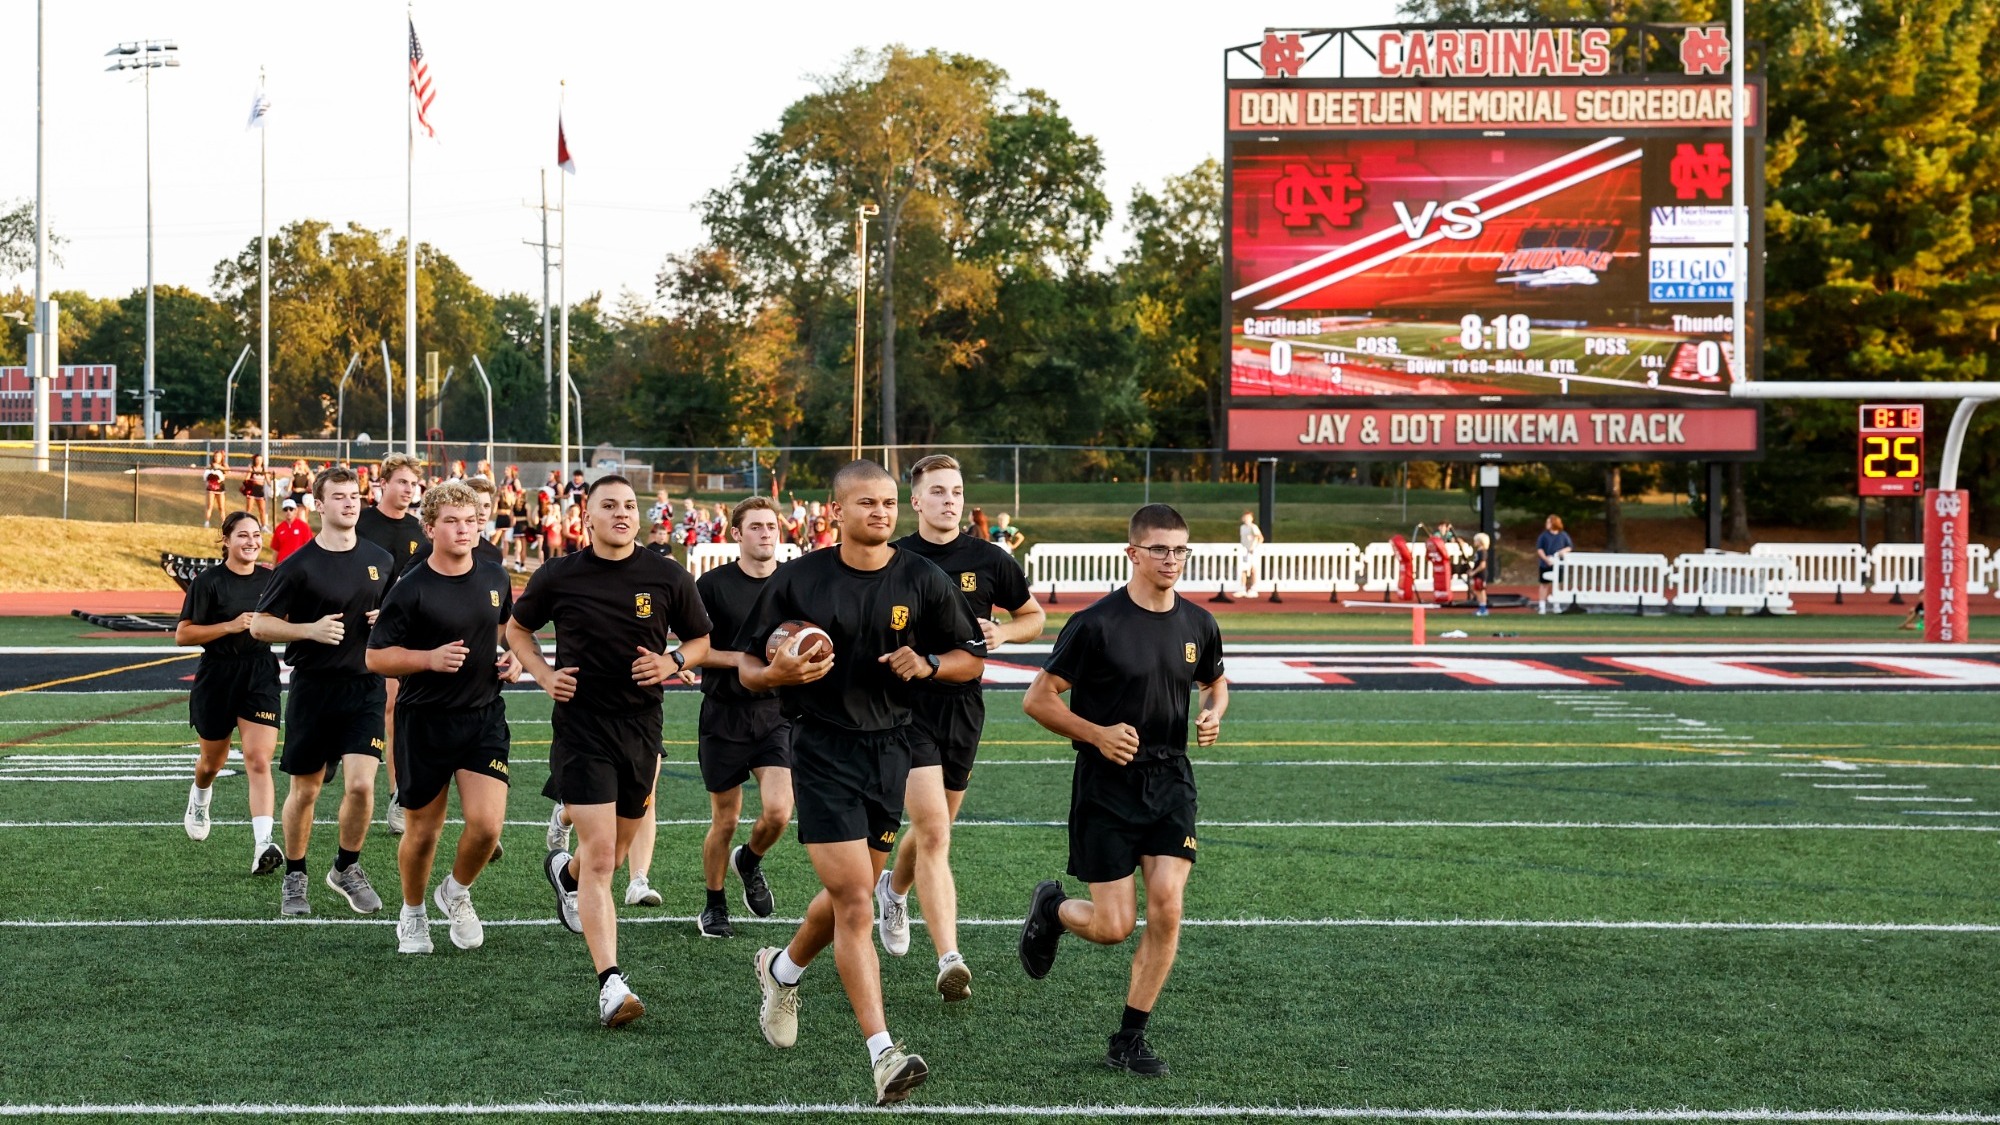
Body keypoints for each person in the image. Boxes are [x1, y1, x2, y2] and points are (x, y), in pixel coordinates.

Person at [736, 459, 984, 1106]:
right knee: (853, 902)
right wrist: (774, 676)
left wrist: (929, 662)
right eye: (865, 502)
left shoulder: (921, 578)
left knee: (845, 893)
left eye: (886, 502)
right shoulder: (801, 578)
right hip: (818, 748)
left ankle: (780, 968)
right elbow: (743, 661)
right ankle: (884, 1055)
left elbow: (968, 657)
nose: (880, 512)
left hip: (891, 750)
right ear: (836, 510)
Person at [1017, 502, 1227, 1078]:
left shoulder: (1198, 623)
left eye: (1181, 549)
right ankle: (1053, 910)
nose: (1172, 559)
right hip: (1105, 788)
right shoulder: (1096, 623)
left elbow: (1216, 681)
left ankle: (1129, 1038)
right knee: (1113, 927)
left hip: (1171, 781)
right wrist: (1097, 734)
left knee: (1168, 907)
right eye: (1159, 548)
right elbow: (1037, 699)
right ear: (1132, 553)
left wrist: (1213, 712)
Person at [507, 474, 712, 1028]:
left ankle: (565, 876)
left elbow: (701, 641)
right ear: (587, 516)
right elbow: (517, 630)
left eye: (629, 505)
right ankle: (611, 984)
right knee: (603, 857)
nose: (622, 513)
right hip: (581, 729)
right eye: (609, 506)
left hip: (642, 729)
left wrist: (674, 664)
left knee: (613, 858)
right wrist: (545, 676)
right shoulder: (559, 574)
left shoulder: (667, 575)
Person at [879, 454, 1044, 1001]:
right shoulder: (895, 556)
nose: (950, 499)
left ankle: (894, 890)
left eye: (956, 490)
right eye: (939, 491)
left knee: (937, 827)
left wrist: (1005, 634)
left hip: (964, 706)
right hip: (907, 710)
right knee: (933, 832)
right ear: (916, 501)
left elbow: (1034, 617)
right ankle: (950, 956)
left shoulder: (989, 557)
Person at [366, 481, 520, 955]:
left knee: (488, 826)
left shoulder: (495, 576)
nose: (463, 529)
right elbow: (376, 658)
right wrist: (428, 659)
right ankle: (412, 912)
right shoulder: (410, 588)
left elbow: (505, 633)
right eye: (452, 520)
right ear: (430, 527)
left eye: (471, 520)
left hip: (483, 716)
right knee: (424, 830)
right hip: (424, 721)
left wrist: (511, 659)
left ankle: (454, 891)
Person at [251, 466, 394, 917]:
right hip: (314, 688)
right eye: (339, 497)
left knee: (361, 786)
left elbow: (398, 615)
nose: (350, 503)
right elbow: (259, 625)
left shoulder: (381, 559)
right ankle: (295, 875)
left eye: (355, 496)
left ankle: (346, 868)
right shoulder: (298, 565)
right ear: (318, 504)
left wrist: (386, 622)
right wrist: (308, 629)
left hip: (365, 686)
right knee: (307, 791)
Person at [687, 497, 795, 938]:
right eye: (755, 527)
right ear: (736, 534)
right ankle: (714, 905)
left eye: (771, 526)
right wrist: (747, 660)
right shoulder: (711, 586)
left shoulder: (792, 584)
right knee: (726, 819)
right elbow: (697, 650)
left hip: (776, 712)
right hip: (724, 713)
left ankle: (748, 860)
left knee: (779, 812)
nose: (766, 533)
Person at [175, 511, 283, 875]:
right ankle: (200, 797)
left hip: (260, 673)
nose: (252, 541)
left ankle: (263, 845)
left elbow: (288, 621)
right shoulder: (208, 582)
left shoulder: (272, 580)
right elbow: (184, 635)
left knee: (258, 759)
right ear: (226, 540)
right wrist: (229, 625)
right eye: (243, 535)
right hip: (217, 676)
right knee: (212, 764)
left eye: (256, 534)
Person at [357, 454, 427, 838]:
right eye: (402, 482)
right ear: (384, 483)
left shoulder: (419, 530)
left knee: (392, 706)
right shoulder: (362, 522)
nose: (408, 490)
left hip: (396, 632)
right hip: (351, 628)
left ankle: (398, 795)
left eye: (414, 484)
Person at [1535, 515, 1573, 614]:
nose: (1547, 524)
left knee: (1557, 584)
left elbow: (1569, 547)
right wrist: (1545, 559)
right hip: (1546, 564)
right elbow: (1539, 549)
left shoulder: (1563, 535)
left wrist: (1562, 552)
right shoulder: (1544, 535)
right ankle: (1542, 606)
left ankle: (1556, 605)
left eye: (1549, 522)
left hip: (1558, 565)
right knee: (1544, 584)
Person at [271, 499, 313, 565]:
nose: (288, 511)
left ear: (296, 510)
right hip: (282, 564)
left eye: (291, 509)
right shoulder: (279, 528)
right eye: (285, 509)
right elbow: (275, 550)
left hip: (299, 564)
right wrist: (273, 568)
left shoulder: (304, 527)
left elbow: (310, 548)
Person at [1235, 511, 1264, 598]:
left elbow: (1260, 537)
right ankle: (1243, 588)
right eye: (1245, 517)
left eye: (1248, 517)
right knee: (1243, 569)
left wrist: (1255, 547)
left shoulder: (1253, 527)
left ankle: (1253, 589)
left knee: (1253, 569)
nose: (1247, 519)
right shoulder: (1242, 527)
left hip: (1252, 551)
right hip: (1245, 550)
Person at [240, 453, 270, 526]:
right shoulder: (252, 469)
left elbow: (268, 481)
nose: (259, 461)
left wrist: (273, 485)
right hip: (252, 490)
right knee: (249, 508)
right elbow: (246, 479)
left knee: (262, 509)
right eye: (257, 460)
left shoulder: (264, 470)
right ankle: (246, 524)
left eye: (260, 460)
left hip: (260, 491)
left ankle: (264, 525)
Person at [203, 451, 229, 528]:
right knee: (209, 505)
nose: (217, 458)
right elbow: (206, 474)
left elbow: (228, 471)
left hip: (220, 487)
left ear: (222, 457)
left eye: (219, 456)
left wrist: (220, 467)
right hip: (211, 488)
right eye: (216, 456)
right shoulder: (210, 465)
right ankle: (207, 522)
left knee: (221, 507)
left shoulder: (223, 465)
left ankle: (224, 523)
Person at [1470, 532, 1492, 616]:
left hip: (1481, 574)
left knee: (1481, 591)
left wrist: (1474, 572)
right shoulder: (1478, 552)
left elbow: (1482, 565)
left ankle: (1483, 609)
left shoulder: (1483, 552)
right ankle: (1481, 607)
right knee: (1477, 590)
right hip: (1477, 574)